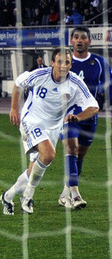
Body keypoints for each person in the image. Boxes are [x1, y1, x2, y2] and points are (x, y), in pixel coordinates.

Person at [0, 48, 98, 216]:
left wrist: (78, 117)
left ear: (70, 65)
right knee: (49, 154)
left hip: (53, 127)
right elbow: (18, 83)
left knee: (33, 170)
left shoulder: (75, 82)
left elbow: (94, 106)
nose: (63, 66)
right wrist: (14, 109)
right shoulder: (40, 75)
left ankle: (7, 197)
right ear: (52, 62)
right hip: (31, 120)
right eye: (59, 61)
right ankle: (28, 196)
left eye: (67, 62)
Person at [58, 26, 111, 210]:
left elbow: (109, 87)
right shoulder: (64, 61)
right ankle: (75, 195)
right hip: (67, 116)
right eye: (76, 37)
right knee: (71, 149)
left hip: (89, 116)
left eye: (83, 37)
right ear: (71, 41)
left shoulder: (99, 62)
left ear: (89, 41)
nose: (80, 40)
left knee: (79, 156)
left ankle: (65, 193)